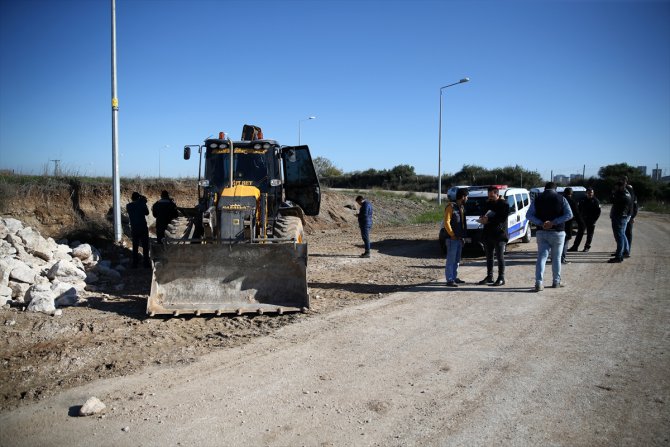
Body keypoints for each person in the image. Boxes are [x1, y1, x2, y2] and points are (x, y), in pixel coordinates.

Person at [526, 182, 573, 291]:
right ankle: (556, 281)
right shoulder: (561, 199)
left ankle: (539, 282)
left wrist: (541, 223)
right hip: (558, 232)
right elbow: (569, 214)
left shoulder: (537, 199)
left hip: (542, 232)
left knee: (541, 257)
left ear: (544, 189)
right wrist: (554, 222)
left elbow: (528, 215)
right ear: (555, 189)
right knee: (556, 258)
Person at [477, 186, 510, 286]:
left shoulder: (504, 204)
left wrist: (489, 220)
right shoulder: (487, 203)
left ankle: (501, 277)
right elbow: (483, 213)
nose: (490, 198)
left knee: (500, 257)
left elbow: (502, 218)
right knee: (489, 257)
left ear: (497, 194)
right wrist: (482, 218)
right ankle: (489, 276)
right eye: (489, 196)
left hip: (499, 234)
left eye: (492, 196)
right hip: (488, 234)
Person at [444, 188, 469, 287]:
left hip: (459, 238)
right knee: (451, 259)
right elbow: (446, 222)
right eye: (467, 196)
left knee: (457, 260)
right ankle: (449, 279)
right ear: (463, 197)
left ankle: (454, 277)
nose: (467, 198)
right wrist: (452, 235)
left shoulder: (461, 207)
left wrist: (462, 237)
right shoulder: (451, 207)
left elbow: (462, 223)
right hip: (452, 239)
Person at [609, 180, 632, 263]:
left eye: (617, 187)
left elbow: (612, 201)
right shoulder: (625, 194)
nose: (615, 189)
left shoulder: (623, 195)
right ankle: (620, 254)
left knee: (620, 237)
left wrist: (613, 194)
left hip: (619, 218)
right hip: (621, 217)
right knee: (620, 236)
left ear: (621, 187)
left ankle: (619, 256)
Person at [571, 187, 601, 252]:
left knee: (589, 234)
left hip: (591, 221)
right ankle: (575, 247)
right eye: (589, 193)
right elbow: (579, 209)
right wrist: (579, 217)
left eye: (591, 193)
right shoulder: (582, 200)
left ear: (593, 193)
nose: (590, 194)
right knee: (579, 234)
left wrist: (594, 220)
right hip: (583, 220)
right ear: (586, 193)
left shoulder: (596, 201)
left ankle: (587, 247)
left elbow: (598, 212)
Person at [126, 191, 151, 268]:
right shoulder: (142, 204)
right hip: (143, 227)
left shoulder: (129, 206)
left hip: (134, 228)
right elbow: (147, 213)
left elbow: (135, 207)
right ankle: (146, 263)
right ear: (138, 198)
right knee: (145, 245)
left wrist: (141, 202)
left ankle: (135, 263)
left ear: (132, 198)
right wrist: (143, 202)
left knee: (135, 245)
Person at [562, 187, 582, 263]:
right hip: (568, 224)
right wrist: (581, 224)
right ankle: (562, 258)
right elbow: (577, 214)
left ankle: (554, 258)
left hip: (558, 224)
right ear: (571, 193)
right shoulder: (573, 202)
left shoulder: (560, 200)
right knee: (565, 241)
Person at [622, 176, 638, 257]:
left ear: (626, 182)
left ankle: (627, 251)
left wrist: (633, 216)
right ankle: (622, 249)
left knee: (628, 233)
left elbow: (635, 206)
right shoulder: (622, 191)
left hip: (629, 216)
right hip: (623, 215)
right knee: (622, 233)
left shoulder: (631, 192)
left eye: (624, 181)